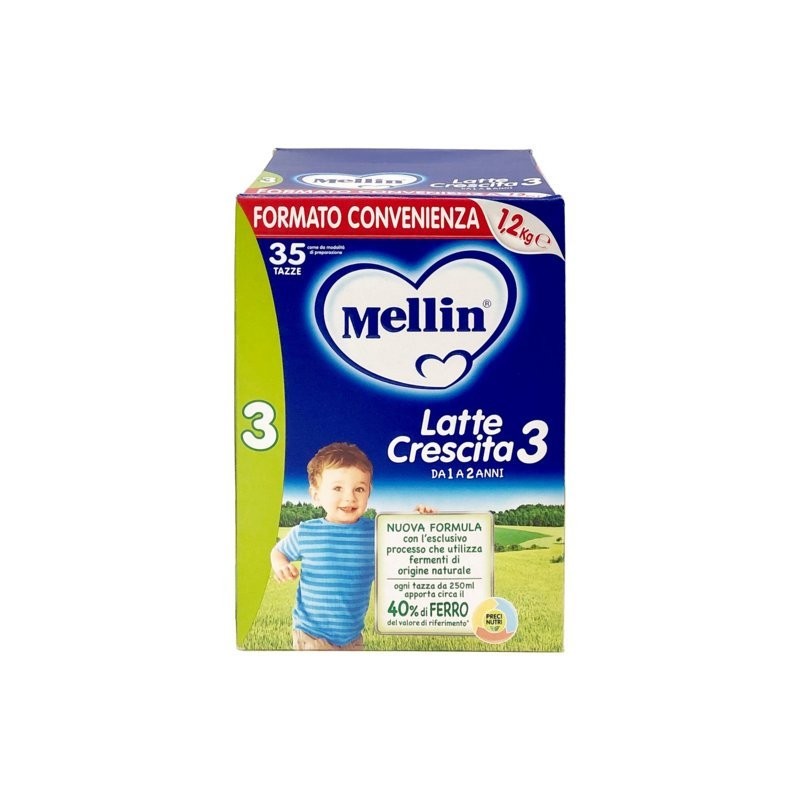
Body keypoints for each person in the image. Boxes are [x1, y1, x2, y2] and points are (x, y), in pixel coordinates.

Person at [271, 442, 432, 650]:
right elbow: (279, 551)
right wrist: (281, 565)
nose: (350, 497)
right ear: (316, 495)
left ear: (368, 492)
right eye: (337, 488)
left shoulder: (377, 532)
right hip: (311, 634)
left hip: (353, 638)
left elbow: (407, 540)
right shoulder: (306, 532)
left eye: (359, 489)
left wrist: (421, 520)